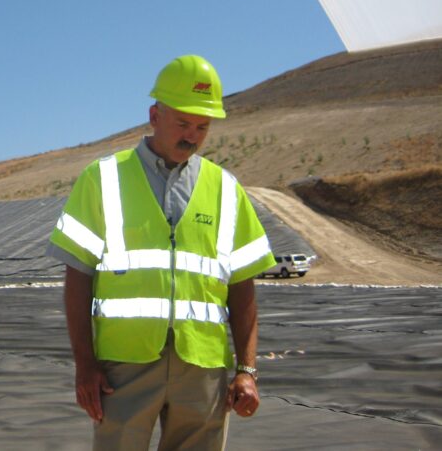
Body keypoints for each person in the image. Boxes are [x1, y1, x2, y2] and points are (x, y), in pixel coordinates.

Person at [47, 55, 275, 450]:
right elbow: (78, 279)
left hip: (202, 369)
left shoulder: (226, 190)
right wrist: (85, 365)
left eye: (202, 126)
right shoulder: (102, 179)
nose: (192, 135)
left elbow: (242, 288)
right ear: (155, 114)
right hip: (123, 368)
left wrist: (247, 370)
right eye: (183, 123)